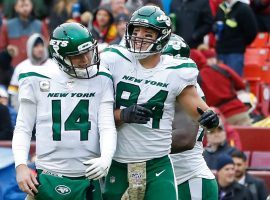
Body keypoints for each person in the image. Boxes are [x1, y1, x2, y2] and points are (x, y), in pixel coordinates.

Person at [100, 5, 219, 200]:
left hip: (168, 168)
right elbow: (93, 111)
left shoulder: (179, 75)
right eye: (136, 31)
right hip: (119, 162)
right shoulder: (113, 59)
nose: (139, 38)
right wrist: (122, 115)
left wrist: (210, 119)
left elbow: (191, 132)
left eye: (147, 34)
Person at [12, 22, 117, 200]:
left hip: (88, 176)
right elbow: (23, 127)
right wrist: (21, 165)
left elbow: (106, 126)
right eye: (78, 56)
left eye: (88, 52)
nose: (86, 59)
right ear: (59, 57)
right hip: (47, 175)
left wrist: (106, 157)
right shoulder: (35, 78)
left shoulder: (102, 78)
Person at [163, 34, 218, 200]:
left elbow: (185, 139)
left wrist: (139, 145)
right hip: (168, 178)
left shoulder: (185, 87)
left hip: (188, 179)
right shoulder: (157, 85)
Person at [8, 33, 54, 112]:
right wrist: (19, 112)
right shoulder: (21, 67)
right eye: (36, 46)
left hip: (49, 113)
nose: (40, 49)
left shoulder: (53, 66)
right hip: (26, 113)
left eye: (41, 45)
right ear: (30, 48)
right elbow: (13, 92)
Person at [214, 0, 258, 76]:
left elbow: (252, 31)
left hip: (235, 53)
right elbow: (215, 24)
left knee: (234, 82)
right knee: (220, 82)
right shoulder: (221, 8)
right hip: (220, 52)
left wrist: (240, 44)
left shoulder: (244, 8)